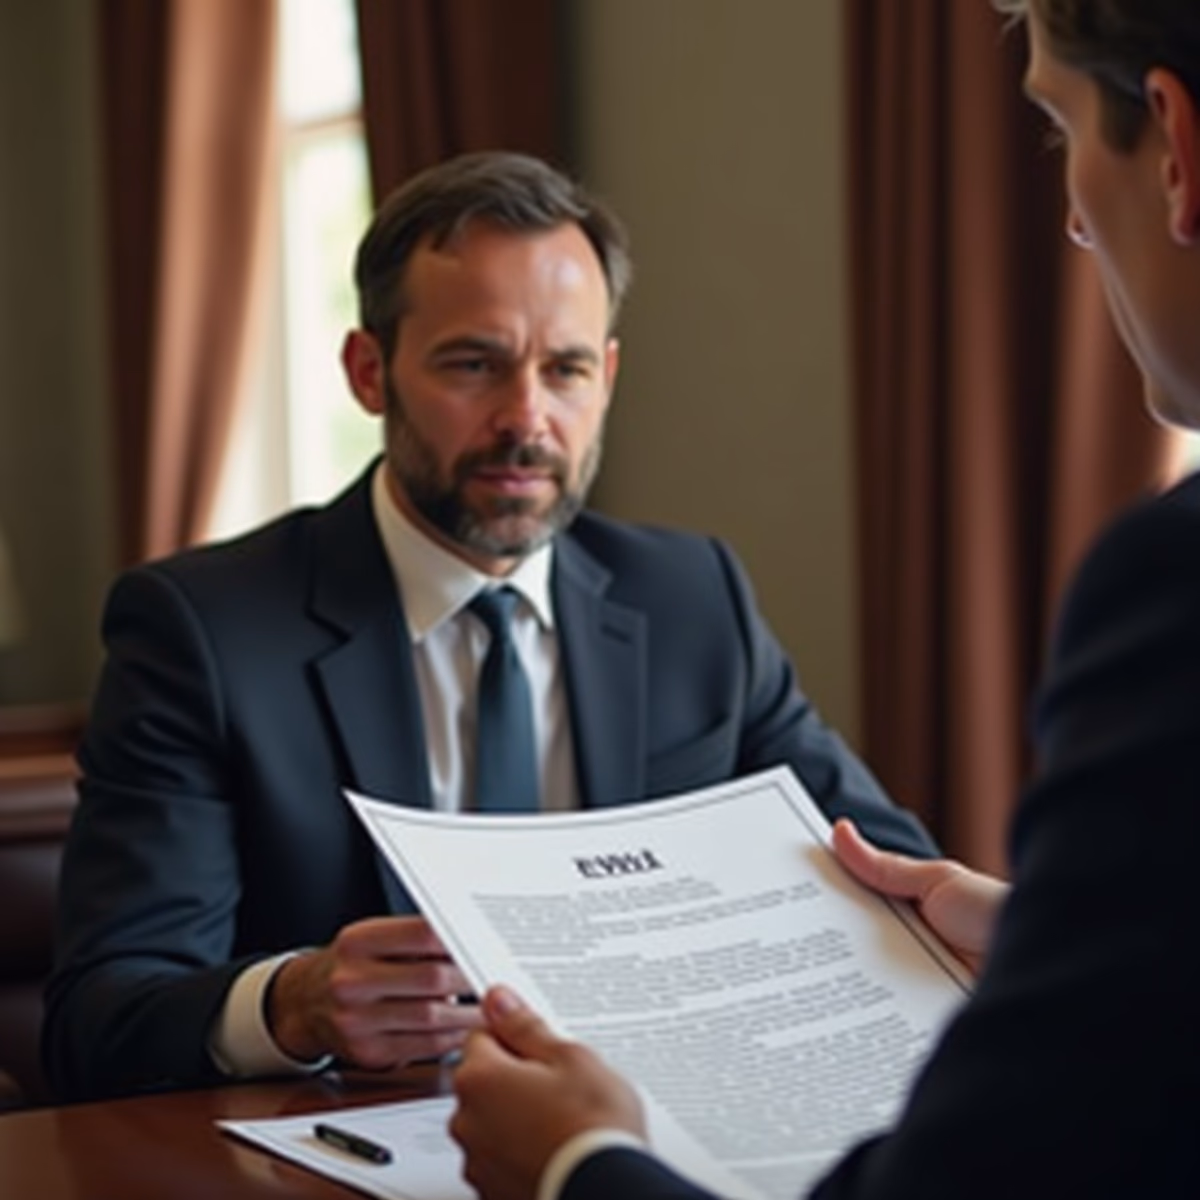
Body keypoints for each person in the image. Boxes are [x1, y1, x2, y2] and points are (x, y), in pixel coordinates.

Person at [448, 3, 1200, 1197]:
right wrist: (1047, 935)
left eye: (1058, 130)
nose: (1067, 217)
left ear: (1175, 148)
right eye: (473, 362)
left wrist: (579, 1167)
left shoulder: (1176, 579)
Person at [42, 151, 937, 1102]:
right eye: (475, 364)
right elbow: (100, 1018)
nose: (527, 418)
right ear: (368, 370)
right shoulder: (205, 634)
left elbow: (893, 880)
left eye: (567, 369)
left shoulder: (691, 600)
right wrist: (289, 1003)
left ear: (609, 377)